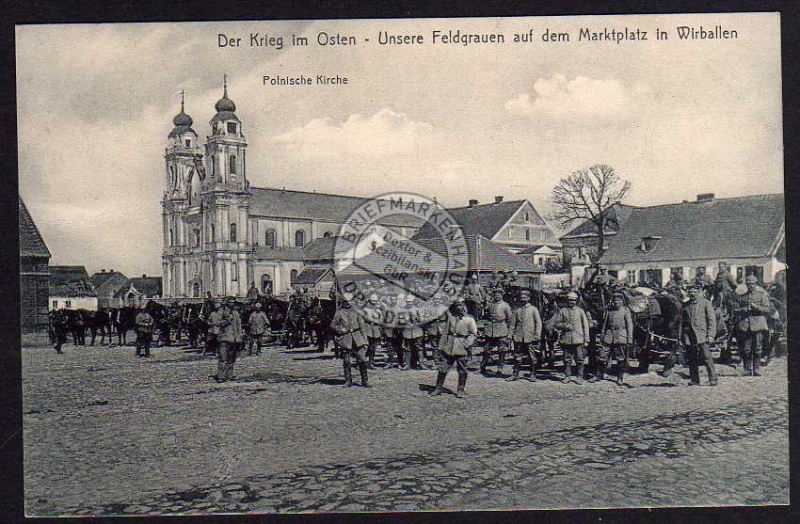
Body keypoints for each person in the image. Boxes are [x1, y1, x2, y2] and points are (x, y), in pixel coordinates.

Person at [430, 299, 477, 398]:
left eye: (460, 305)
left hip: (461, 347)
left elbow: (473, 334)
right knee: (443, 368)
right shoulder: (450, 318)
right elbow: (445, 333)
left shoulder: (469, 319)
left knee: (462, 370)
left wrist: (467, 344)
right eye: (456, 306)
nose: (458, 308)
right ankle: (438, 388)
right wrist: (440, 347)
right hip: (449, 347)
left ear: (463, 306)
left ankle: (460, 390)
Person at [591, 292, 633, 386]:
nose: (616, 302)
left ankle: (620, 377)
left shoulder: (625, 311)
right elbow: (605, 324)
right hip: (608, 336)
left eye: (618, 300)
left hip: (621, 336)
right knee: (602, 355)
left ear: (622, 301)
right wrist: (602, 334)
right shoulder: (609, 310)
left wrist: (629, 339)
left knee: (620, 358)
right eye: (614, 300)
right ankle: (598, 375)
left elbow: (630, 326)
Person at [733, 275, 771, 376]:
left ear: (756, 284)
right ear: (746, 285)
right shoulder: (742, 297)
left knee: (758, 348)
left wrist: (757, 307)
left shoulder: (762, 295)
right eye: (749, 284)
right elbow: (735, 310)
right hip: (745, 325)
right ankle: (746, 369)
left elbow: (767, 309)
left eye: (753, 284)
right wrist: (743, 310)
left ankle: (756, 368)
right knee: (746, 348)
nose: (751, 286)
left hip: (758, 325)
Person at [680, 283, 717, 386]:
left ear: (699, 292)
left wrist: (711, 335)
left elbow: (711, 320)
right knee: (692, 359)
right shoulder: (686, 305)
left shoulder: (706, 303)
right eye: (690, 292)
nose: (692, 294)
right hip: (689, 337)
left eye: (694, 292)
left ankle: (713, 379)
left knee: (707, 358)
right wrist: (681, 337)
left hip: (702, 335)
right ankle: (694, 380)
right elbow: (682, 323)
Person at [331, 293, 370, 388]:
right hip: (345, 338)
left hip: (357, 338)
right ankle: (348, 380)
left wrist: (365, 340)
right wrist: (340, 329)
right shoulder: (339, 312)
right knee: (346, 361)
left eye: (350, 301)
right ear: (343, 302)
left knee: (362, 360)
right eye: (346, 301)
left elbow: (362, 327)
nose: (348, 303)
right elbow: (333, 324)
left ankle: (365, 381)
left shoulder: (357, 311)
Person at [554, 292, 590, 384]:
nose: (572, 302)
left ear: (576, 301)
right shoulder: (562, 311)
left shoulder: (580, 311)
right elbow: (556, 324)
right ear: (567, 300)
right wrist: (565, 326)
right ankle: (567, 376)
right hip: (566, 339)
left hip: (578, 339)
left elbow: (585, 326)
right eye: (570, 300)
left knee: (580, 359)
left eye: (574, 300)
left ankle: (579, 376)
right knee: (567, 359)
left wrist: (586, 340)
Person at [506, 289, 542, 382]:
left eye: (525, 298)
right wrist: (510, 336)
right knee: (517, 358)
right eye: (521, 298)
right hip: (518, 337)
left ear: (528, 298)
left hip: (530, 337)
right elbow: (512, 325)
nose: (523, 299)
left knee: (533, 358)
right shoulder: (517, 310)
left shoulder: (533, 309)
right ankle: (515, 375)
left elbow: (538, 323)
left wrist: (537, 336)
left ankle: (533, 375)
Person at [480, 288, 513, 375]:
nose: (497, 296)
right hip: (490, 330)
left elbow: (510, 320)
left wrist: (509, 333)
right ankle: (483, 366)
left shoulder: (505, 305)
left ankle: (500, 368)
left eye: (499, 294)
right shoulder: (490, 305)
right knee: (487, 349)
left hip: (501, 330)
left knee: (502, 350)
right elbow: (487, 316)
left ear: (502, 295)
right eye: (495, 294)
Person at [212, 301, 237, 382]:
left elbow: (238, 326)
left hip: (234, 339)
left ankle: (229, 375)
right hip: (224, 339)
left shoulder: (236, 313)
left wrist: (239, 338)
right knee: (222, 358)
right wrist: (227, 320)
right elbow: (216, 322)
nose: (232, 304)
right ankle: (221, 376)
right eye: (230, 302)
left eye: (233, 303)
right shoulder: (220, 312)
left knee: (231, 359)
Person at [362, 293, 384, 369]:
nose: (374, 302)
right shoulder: (365, 308)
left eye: (375, 300)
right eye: (373, 301)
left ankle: (371, 363)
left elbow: (381, 318)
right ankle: (361, 362)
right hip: (367, 328)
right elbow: (363, 318)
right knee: (364, 346)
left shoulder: (379, 308)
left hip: (376, 328)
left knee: (373, 347)